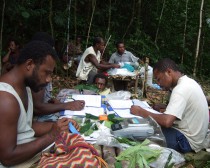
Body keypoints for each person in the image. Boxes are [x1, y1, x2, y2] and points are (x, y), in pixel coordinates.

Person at [0, 41, 81, 167]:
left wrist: (59, 126)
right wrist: (52, 135)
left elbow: (26, 127)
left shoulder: (25, 87)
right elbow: (7, 158)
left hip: (28, 154)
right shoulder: (5, 99)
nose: (48, 79)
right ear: (29, 64)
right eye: (46, 72)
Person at [131, 58, 209, 153]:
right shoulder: (189, 82)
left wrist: (140, 111)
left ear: (169, 72)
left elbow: (167, 122)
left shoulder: (180, 89)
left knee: (143, 133)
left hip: (187, 141)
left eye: (159, 79)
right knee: (148, 128)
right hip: (195, 138)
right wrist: (164, 109)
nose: (159, 84)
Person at [31, 32, 85, 122]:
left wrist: (53, 100)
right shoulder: (37, 73)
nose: (48, 79)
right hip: (41, 119)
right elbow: (37, 108)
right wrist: (67, 105)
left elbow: (41, 99)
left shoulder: (40, 68)